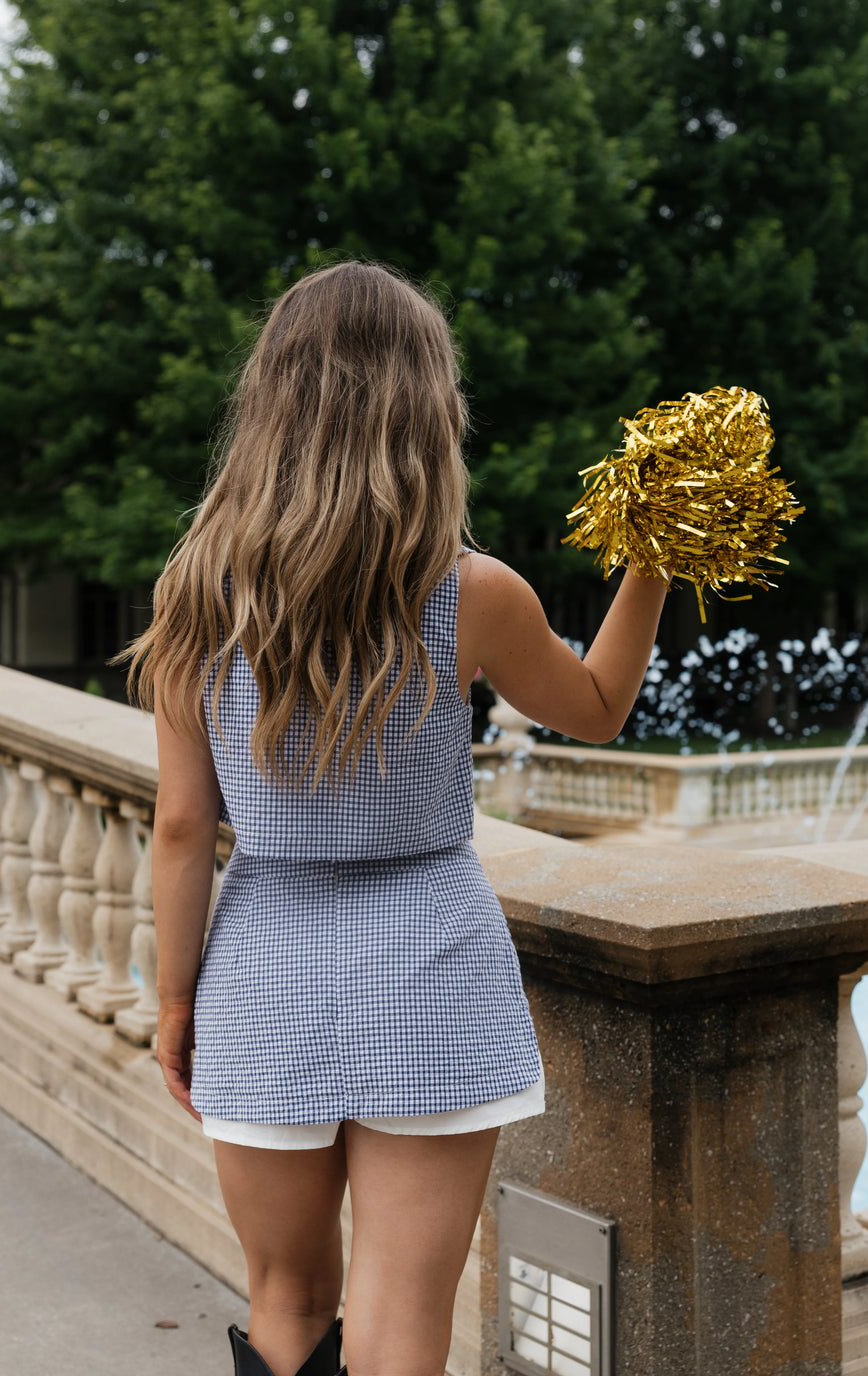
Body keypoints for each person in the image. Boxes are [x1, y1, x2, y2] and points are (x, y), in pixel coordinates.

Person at [126, 261, 667, 1376]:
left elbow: (181, 829)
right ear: (428, 410)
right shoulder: (470, 592)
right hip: (433, 969)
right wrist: (658, 552)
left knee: (285, 1301)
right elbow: (599, 707)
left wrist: (178, 999)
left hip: (263, 977)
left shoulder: (196, 590)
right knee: (403, 1320)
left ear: (269, 404)